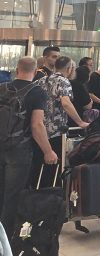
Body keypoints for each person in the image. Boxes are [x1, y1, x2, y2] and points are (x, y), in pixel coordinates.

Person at [0, 57, 57, 233]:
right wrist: (48, 151)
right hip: (19, 150)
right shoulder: (37, 92)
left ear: (17, 70)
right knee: (12, 196)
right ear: (34, 71)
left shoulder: (2, 87)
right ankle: (6, 239)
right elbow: (37, 125)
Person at [34, 56, 88, 187]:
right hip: (56, 132)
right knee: (56, 167)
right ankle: (55, 193)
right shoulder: (63, 81)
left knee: (40, 168)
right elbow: (66, 103)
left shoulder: (41, 80)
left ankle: (39, 193)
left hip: (40, 132)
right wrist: (80, 122)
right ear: (69, 69)